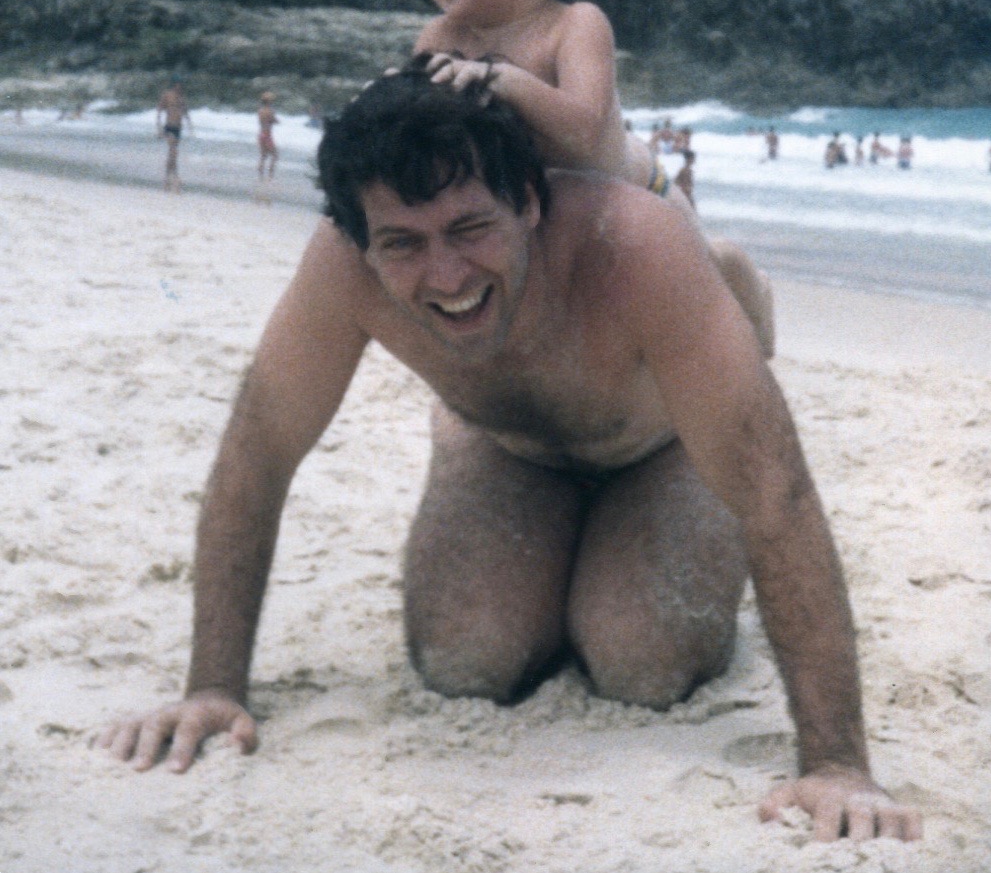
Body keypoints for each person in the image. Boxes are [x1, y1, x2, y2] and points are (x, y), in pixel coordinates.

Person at [100, 69, 921, 843]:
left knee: (641, 661)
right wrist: (213, 686)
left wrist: (836, 764)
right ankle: (470, 442)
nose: (445, 272)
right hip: (510, 446)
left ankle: (733, 289)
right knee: (467, 660)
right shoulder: (343, 262)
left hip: (661, 447)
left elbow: (774, 490)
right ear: (360, 237)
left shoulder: (632, 243)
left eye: (469, 227)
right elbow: (258, 449)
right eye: (403, 244)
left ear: (527, 199)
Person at [414, 0, 771, 354]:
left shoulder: (575, 25)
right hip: (546, 216)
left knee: (704, 287)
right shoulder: (439, 38)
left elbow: (583, 130)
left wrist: (501, 78)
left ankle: (753, 297)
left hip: (636, 194)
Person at [156, 78, 192, 192]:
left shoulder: (181, 97)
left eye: (181, 85)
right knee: (173, 152)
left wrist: (190, 125)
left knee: (173, 154)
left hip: (178, 128)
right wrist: (159, 128)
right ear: (174, 85)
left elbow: (185, 112)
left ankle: (167, 179)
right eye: (178, 85)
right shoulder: (167, 95)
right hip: (169, 126)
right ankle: (175, 178)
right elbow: (159, 111)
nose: (179, 87)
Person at [256, 92, 279, 181]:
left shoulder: (260, 111)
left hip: (261, 134)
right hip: (267, 135)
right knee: (275, 156)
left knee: (263, 156)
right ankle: (270, 176)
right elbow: (274, 120)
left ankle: (260, 176)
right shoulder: (270, 111)